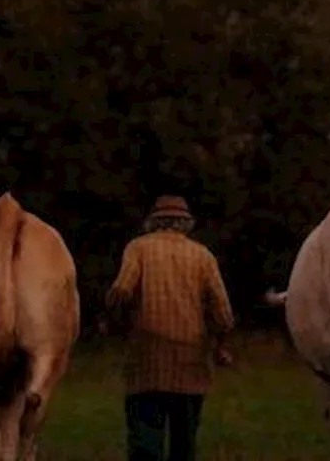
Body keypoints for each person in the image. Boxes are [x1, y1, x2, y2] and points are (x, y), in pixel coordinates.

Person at [105, 195, 236, 461]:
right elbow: (223, 311)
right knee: (183, 445)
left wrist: (113, 317)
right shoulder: (202, 256)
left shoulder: (138, 249)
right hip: (190, 367)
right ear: (186, 223)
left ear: (154, 222)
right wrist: (220, 345)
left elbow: (121, 289)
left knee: (145, 443)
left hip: (145, 364)